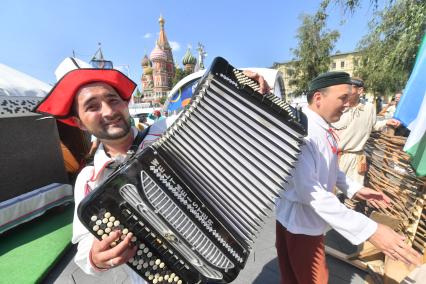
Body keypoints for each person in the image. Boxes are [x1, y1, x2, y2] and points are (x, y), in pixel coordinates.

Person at [35, 57, 270, 283]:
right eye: (92, 106)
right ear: (79, 122)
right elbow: (84, 243)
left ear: (125, 103)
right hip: (161, 277)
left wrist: (240, 92)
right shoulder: (89, 180)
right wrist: (95, 258)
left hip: (218, 252)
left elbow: (221, 119)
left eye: (113, 99)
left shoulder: (171, 129)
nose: (108, 111)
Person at [275, 72, 421, 284]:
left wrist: (354, 189)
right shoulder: (305, 132)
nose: (348, 104)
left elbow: (330, 166)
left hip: (301, 220)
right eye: (343, 98)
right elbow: (312, 193)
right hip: (301, 224)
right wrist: (371, 230)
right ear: (318, 98)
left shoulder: (320, 126)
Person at [332, 77, 400, 184]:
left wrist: (386, 123)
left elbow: (373, 125)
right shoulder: (338, 107)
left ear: (360, 91)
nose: (347, 91)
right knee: (334, 191)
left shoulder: (369, 108)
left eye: (351, 88)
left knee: (355, 192)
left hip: (358, 157)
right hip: (337, 157)